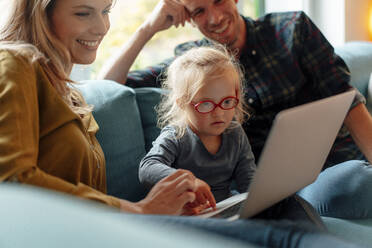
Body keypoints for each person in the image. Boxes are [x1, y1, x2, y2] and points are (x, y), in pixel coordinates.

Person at [0, 0, 367, 247]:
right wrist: (138, 210)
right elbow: (16, 179)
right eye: (84, 12)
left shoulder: (68, 92)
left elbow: (348, 101)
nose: (102, 26)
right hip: (100, 226)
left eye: (107, 10)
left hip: (114, 221)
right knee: (281, 233)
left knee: (287, 210)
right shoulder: (189, 65)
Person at [99, 0, 372, 218]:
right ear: (189, 17)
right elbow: (107, 87)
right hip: (275, 192)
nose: (215, 18)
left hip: (337, 165)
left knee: (357, 178)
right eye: (200, 11)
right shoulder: (195, 66)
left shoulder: (292, 28)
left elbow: (346, 98)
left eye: (219, 1)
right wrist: (147, 28)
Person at [139, 46, 256, 206]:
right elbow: (147, 168)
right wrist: (189, 181)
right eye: (206, 104)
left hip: (226, 209)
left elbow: (248, 182)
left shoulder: (234, 132)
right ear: (182, 104)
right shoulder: (177, 135)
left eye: (227, 102)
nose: (219, 113)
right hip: (189, 214)